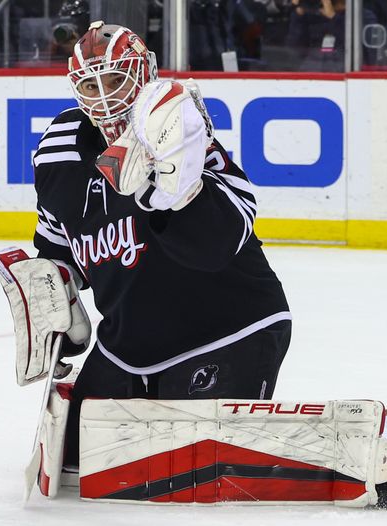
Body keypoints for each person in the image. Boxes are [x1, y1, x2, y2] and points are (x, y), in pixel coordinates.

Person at [29, 21, 293, 469]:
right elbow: (57, 247)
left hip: (227, 331)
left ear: (144, 73)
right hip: (127, 346)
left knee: (190, 468)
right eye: (90, 84)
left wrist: (168, 195)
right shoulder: (58, 151)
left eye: (115, 79)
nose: (104, 96)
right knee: (77, 462)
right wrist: (52, 300)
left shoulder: (179, 132)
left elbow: (217, 244)